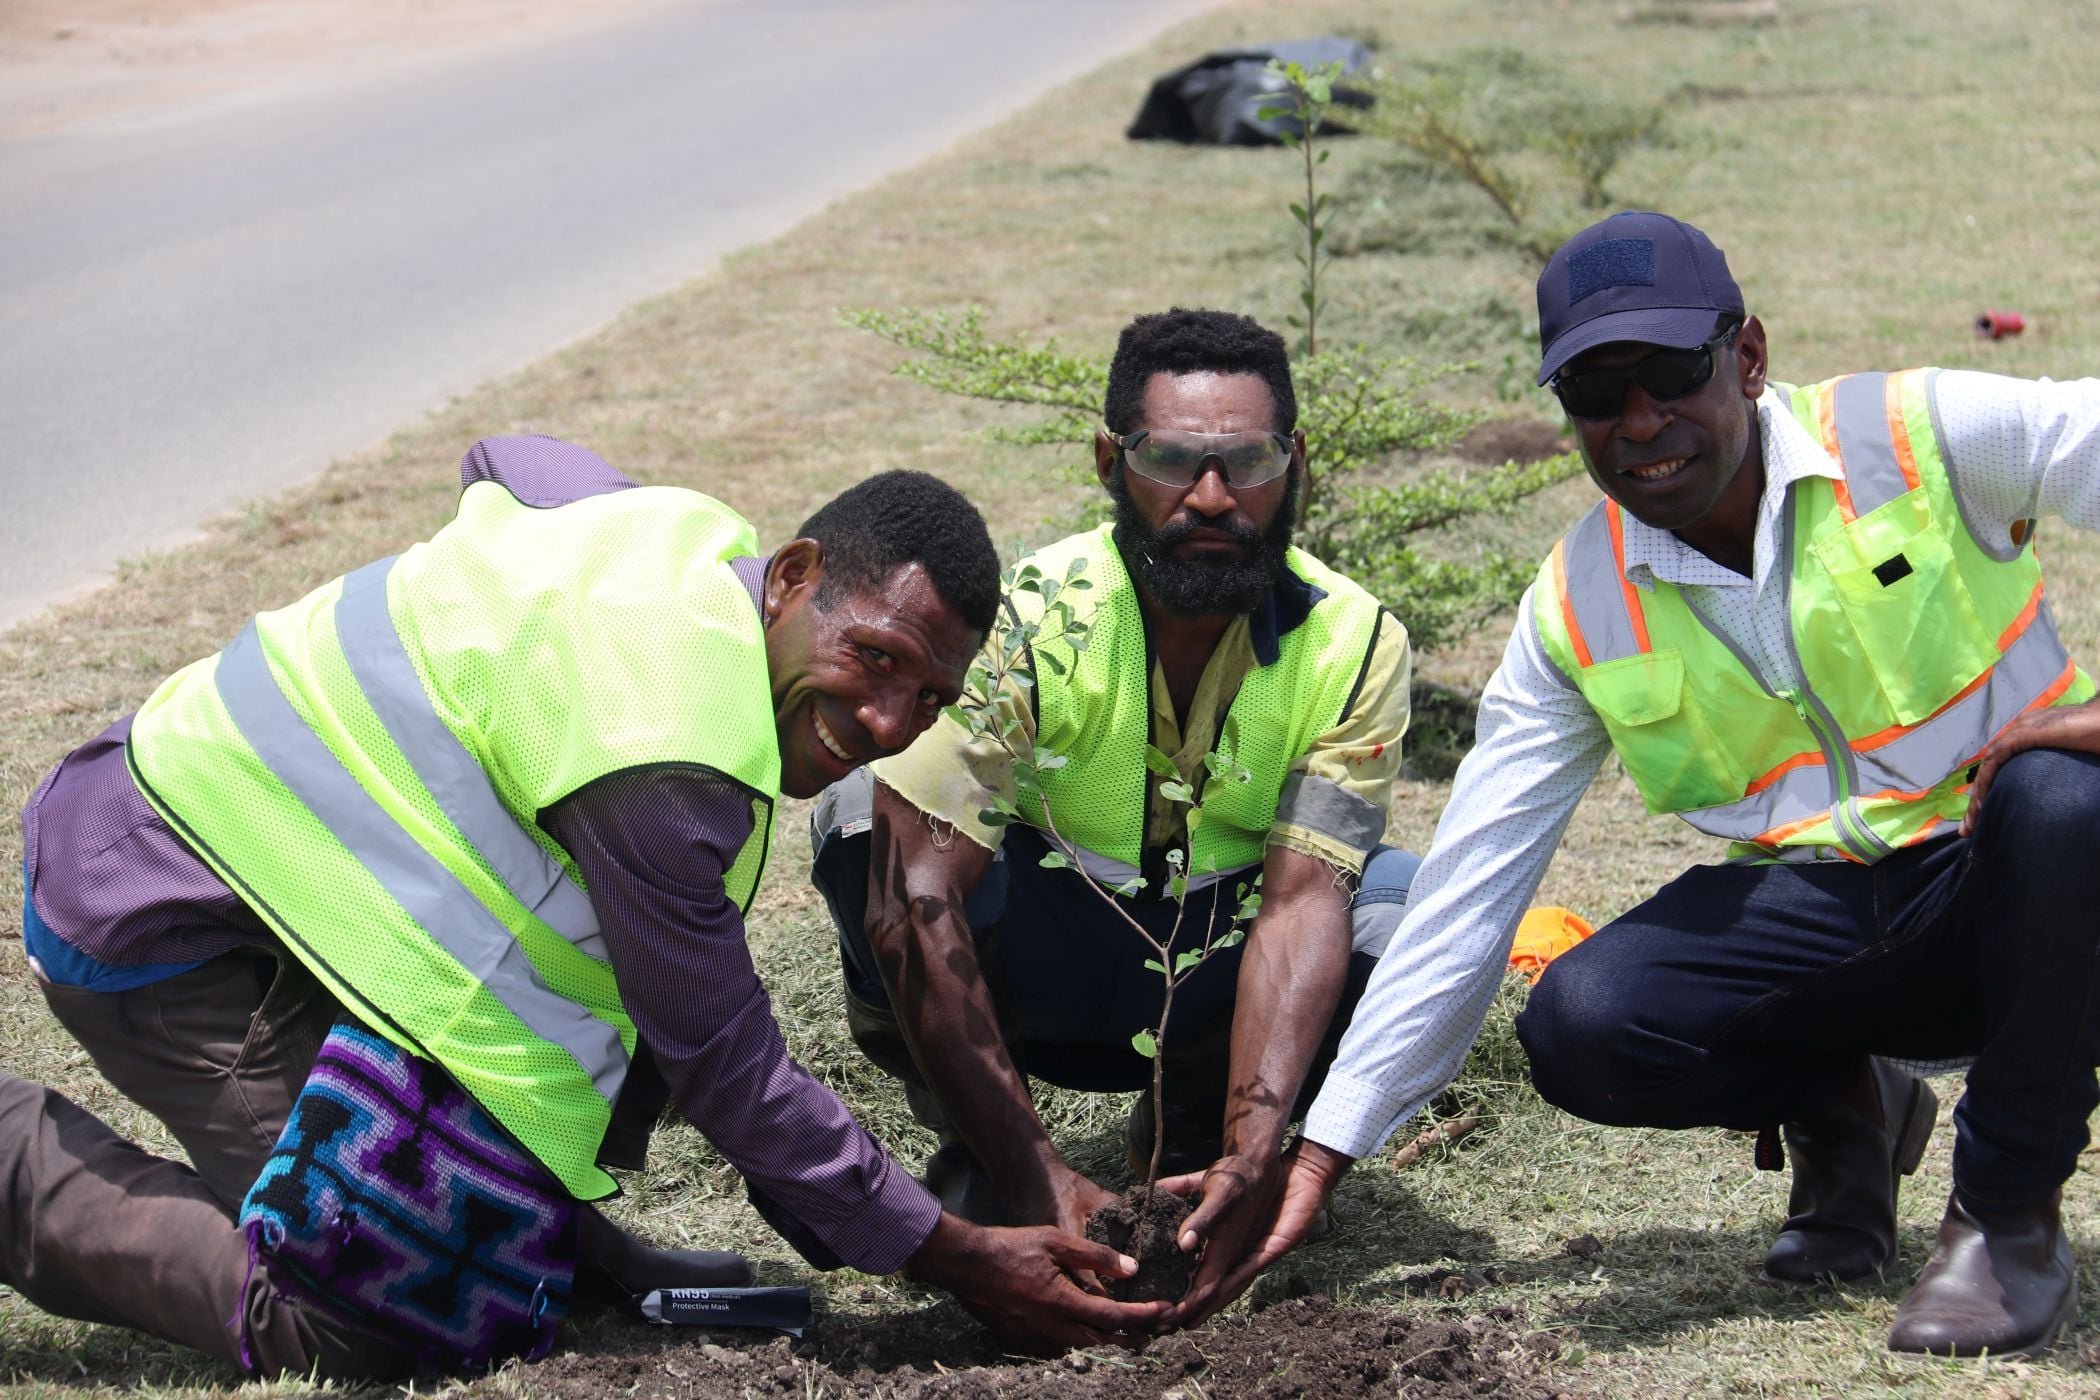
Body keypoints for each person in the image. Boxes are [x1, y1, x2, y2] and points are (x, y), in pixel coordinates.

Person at [2, 435, 1173, 1381]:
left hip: (275, 875)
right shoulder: (663, 756)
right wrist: (955, 1253)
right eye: (874, 658)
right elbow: (724, 1060)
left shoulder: (669, 537)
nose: (888, 724)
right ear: (797, 577)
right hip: (167, 904)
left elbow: (508, 457)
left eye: (929, 696)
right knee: (379, 1312)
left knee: (512, 1188)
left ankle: (568, 1241)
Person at [1175, 211, 2100, 1357]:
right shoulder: (1575, 601)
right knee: (1586, 1022)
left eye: (1670, 372)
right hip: (1833, 913)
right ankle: (1843, 1105)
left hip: (2032, 881)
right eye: (1597, 396)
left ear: (1748, 357)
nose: (1642, 424)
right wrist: (1322, 1148)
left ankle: (2007, 1217)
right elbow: (1469, 886)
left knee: (2068, 795)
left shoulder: (1917, 432)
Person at [808, 309, 1418, 1290]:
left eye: (1249, 461)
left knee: (1406, 914)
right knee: (861, 822)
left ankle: (1190, 1148)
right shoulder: (1028, 615)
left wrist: (1254, 1145)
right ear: (1108, 459)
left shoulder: (1354, 639)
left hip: (1219, 969)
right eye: (1171, 459)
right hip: (1040, 957)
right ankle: (985, 1141)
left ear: (1295, 462)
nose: (1212, 497)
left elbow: (1303, 900)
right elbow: (916, 896)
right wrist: (1038, 1177)